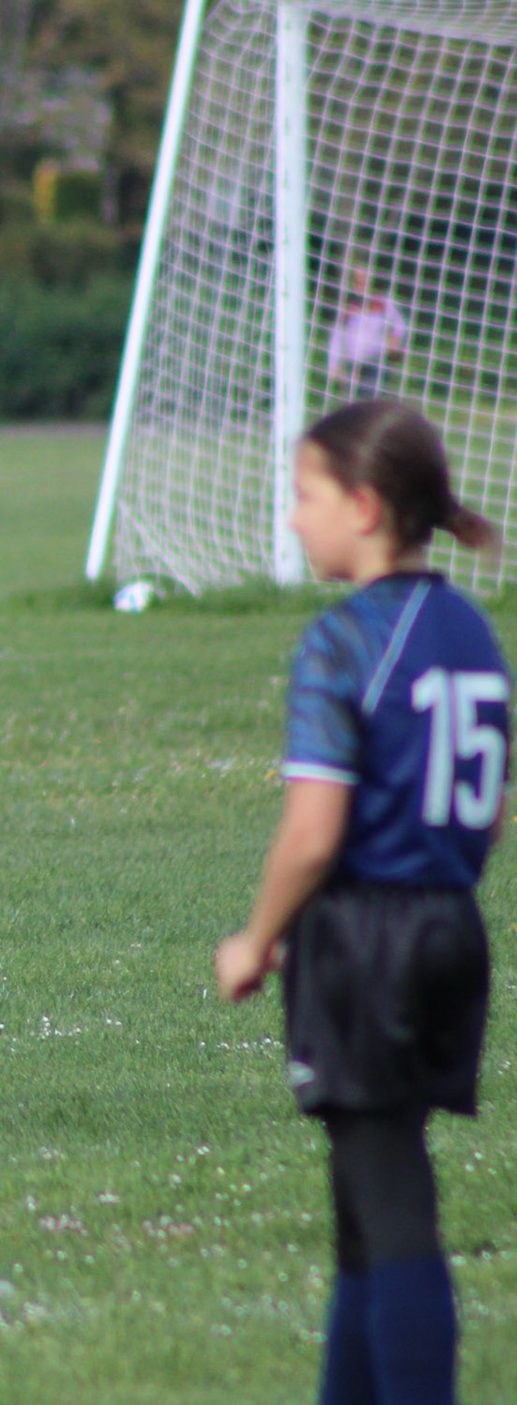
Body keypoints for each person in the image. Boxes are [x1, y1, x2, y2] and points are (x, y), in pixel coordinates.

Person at [215, 400, 504, 1405]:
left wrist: (257, 938)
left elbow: (311, 833)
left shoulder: (344, 640)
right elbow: (488, 811)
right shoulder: (471, 628)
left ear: (368, 507)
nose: (293, 517)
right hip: (452, 924)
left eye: (307, 496)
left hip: (367, 937)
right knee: (362, 1212)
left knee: (394, 1204)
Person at [327, 265, 407, 402]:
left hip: (375, 360)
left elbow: (400, 326)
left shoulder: (382, 303)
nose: (360, 285)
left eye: (363, 280)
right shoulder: (348, 307)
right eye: (356, 281)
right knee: (354, 402)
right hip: (353, 362)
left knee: (370, 399)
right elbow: (337, 336)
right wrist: (333, 364)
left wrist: (394, 340)